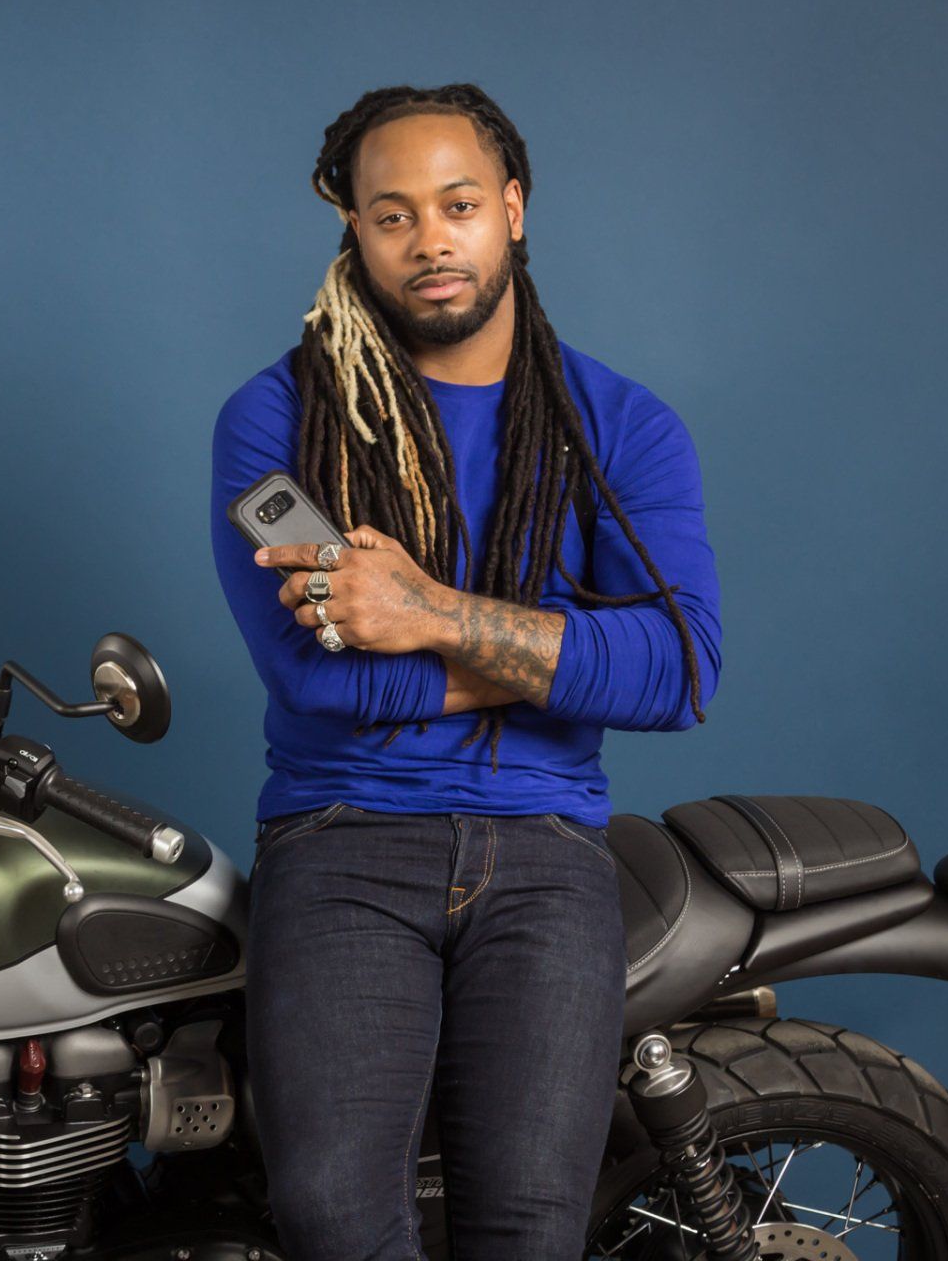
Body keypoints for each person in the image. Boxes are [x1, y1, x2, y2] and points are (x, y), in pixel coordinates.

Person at [206, 82, 724, 1260]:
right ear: (355, 231)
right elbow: (321, 681)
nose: (430, 240)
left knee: (530, 1229)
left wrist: (428, 611)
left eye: (458, 204)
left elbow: (683, 671)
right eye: (392, 215)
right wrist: (568, 652)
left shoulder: (620, 425)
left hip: (546, 848)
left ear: (513, 210)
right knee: (333, 1218)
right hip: (342, 841)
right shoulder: (277, 421)